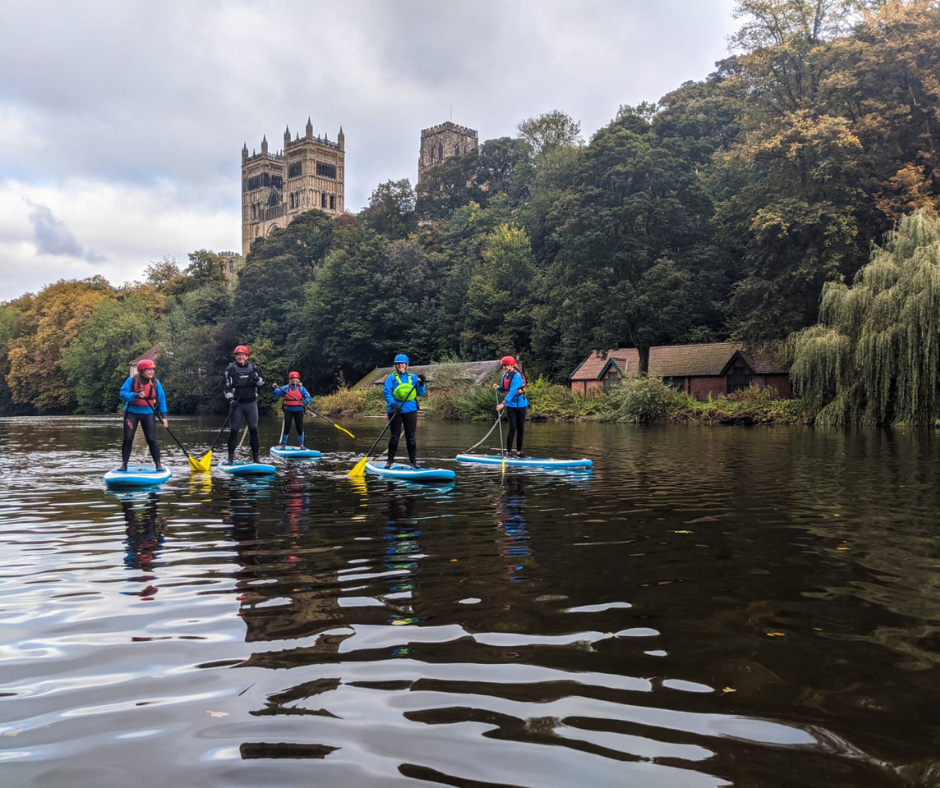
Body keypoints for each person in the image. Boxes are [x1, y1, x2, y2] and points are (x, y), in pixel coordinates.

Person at [118, 358, 168, 471]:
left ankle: (158, 464)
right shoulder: (132, 380)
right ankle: (124, 464)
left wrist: (164, 417)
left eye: (153, 369)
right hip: (132, 413)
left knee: (151, 439)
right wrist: (135, 395)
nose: (152, 372)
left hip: (148, 413)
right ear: (142, 371)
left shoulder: (156, 383)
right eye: (149, 369)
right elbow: (123, 394)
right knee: (128, 439)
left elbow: (161, 400)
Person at [223, 345, 266, 464]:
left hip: (251, 404)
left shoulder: (254, 368)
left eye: (243, 355)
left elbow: (263, 382)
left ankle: (256, 458)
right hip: (237, 405)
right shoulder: (230, 370)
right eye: (238, 355)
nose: (241, 357)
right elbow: (226, 387)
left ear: (247, 356)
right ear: (235, 356)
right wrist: (231, 399)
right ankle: (230, 459)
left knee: (254, 430)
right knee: (234, 430)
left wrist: (256, 378)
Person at [382, 353, 426, 468]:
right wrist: (393, 405)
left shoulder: (413, 377)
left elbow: (420, 392)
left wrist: (421, 383)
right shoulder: (391, 378)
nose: (400, 365)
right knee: (394, 436)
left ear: (406, 365)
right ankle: (390, 461)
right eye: (398, 364)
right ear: (395, 365)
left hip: (410, 409)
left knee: (411, 437)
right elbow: (387, 392)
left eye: (402, 363)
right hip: (395, 410)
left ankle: (413, 462)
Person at [495, 355, 528, 457]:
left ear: (512, 365)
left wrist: (502, 404)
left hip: (521, 405)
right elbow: (505, 390)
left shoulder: (517, 376)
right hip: (511, 405)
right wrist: (498, 388)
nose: (504, 367)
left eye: (506, 365)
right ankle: (508, 452)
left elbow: (513, 391)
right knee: (512, 428)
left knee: (520, 428)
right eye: (503, 365)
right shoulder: (504, 376)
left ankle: (519, 452)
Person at [272, 371, 312, 448]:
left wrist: (305, 402)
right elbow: (276, 393)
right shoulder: (285, 388)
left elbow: (308, 397)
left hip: (299, 410)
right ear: (290, 380)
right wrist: (273, 388)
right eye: (293, 378)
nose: (294, 380)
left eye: (296, 378)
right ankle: (283, 445)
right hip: (288, 410)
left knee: (299, 427)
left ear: (298, 380)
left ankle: (301, 445)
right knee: (287, 427)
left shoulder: (302, 389)